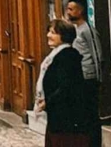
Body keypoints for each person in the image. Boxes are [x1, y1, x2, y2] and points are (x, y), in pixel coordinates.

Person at [36, 18, 88, 147]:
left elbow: (66, 87)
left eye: (53, 33)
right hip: (57, 116)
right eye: (49, 31)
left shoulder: (67, 57)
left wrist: (48, 102)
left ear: (64, 35)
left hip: (67, 118)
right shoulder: (55, 55)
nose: (48, 35)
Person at [66, 0, 102, 147]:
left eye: (71, 9)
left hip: (88, 76)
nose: (68, 12)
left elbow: (97, 53)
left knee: (90, 113)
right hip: (78, 76)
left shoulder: (87, 30)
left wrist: (98, 78)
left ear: (80, 11)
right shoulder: (74, 29)